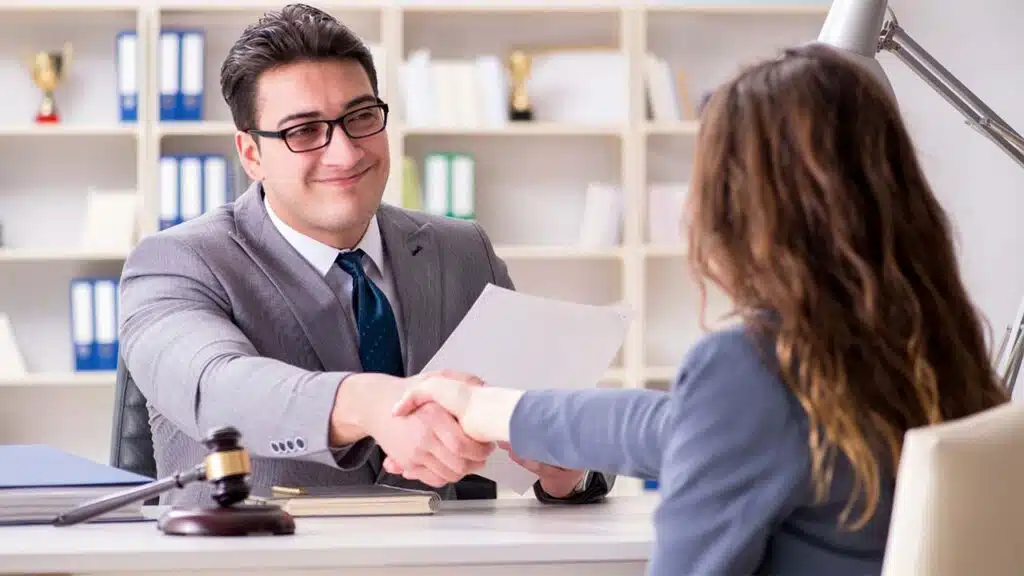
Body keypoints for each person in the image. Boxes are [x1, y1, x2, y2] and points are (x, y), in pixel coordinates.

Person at [389, 43, 1010, 576]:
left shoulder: (752, 369)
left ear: (737, 206)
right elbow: (674, 426)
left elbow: (717, 423)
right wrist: (490, 408)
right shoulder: (930, 347)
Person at [118, 3, 610, 506]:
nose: (346, 153)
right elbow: (217, 389)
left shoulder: (462, 252)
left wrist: (564, 469)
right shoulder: (175, 262)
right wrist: (373, 402)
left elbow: (547, 413)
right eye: (304, 130)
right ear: (251, 154)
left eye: (361, 117)